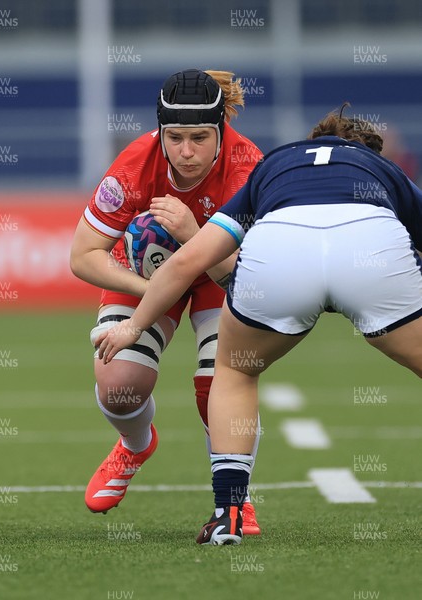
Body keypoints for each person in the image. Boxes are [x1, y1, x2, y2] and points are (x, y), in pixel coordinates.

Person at [95, 104, 422, 545]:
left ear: (312, 140)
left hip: (284, 256)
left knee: (233, 371)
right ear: (368, 152)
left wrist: (134, 326)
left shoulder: (276, 162)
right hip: (369, 254)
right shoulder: (382, 171)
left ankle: (228, 512)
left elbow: (192, 258)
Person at [70, 68, 264, 534]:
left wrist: (194, 236)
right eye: (174, 137)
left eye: (200, 137)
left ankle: (236, 497)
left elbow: (248, 275)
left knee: (222, 375)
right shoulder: (136, 163)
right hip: (145, 276)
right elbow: (82, 256)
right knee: (120, 385)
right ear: (160, 131)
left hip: (221, 275)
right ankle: (135, 444)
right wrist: (159, 290)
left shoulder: (248, 167)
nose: (186, 151)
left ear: (221, 130)